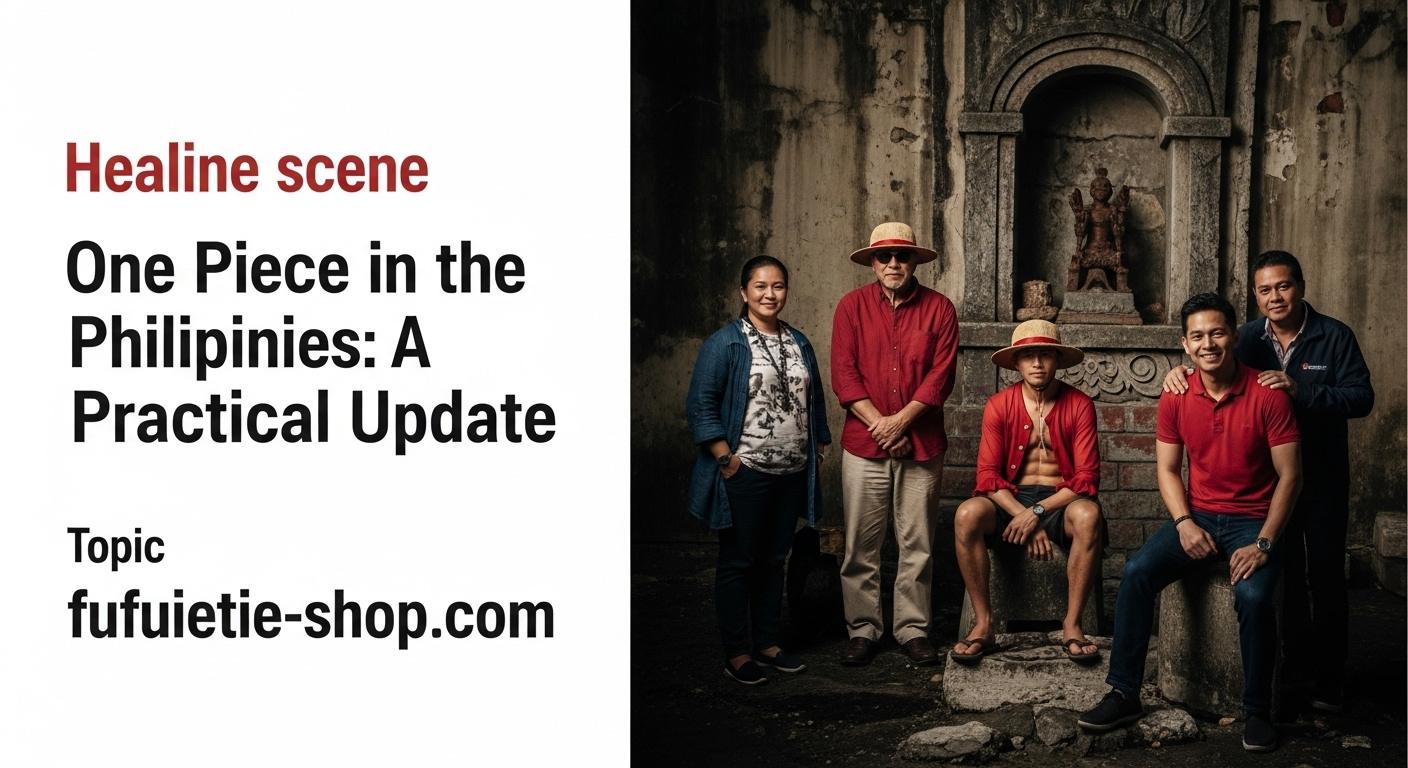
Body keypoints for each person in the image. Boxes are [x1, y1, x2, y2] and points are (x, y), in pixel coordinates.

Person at [1080, 293, 1301, 752]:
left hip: (1252, 521)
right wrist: (1183, 522)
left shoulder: (1267, 394)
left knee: (1256, 597)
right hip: (1198, 515)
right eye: (1197, 335)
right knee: (1138, 573)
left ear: (1234, 337)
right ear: (1184, 344)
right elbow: (1166, 469)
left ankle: (1257, 712)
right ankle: (1124, 692)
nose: (1208, 343)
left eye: (1217, 333)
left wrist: (1262, 543)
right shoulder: (1176, 394)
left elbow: (1291, 476)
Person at [1161, 251, 1373, 716]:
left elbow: (1361, 399)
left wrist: (1303, 391)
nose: (1275, 297)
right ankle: (1293, 671)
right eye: (1264, 290)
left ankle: (1329, 680)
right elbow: (1211, 364)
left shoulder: (1333, 336)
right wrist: (1178, 372)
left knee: (1324, 576)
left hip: (1319, 479)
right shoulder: (1248, 337)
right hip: (1266, 485)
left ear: (1300, 286)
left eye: (1283, 286)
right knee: (1287, 576)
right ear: (1255, 296)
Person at [685, 255, 832, 686]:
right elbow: (701, 404)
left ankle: (767, 644)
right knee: (739, 561)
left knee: (774, 560)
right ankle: (737, 652)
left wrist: (818, 443)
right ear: (744, 292)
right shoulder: (726, 343)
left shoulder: (799, 342)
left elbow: (815, 398)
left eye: (779, 286)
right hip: (745, 471)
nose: (771, 294)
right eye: (761, 286)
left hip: (791, 471)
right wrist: (724, 457)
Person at [830, 222, 958, 666]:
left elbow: (941, 377)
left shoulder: (940, 309)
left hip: (921, 444)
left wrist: (901, 423)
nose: (893, 264)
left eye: (901, 256)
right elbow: (844, 377)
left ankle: (911, 629)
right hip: (863, 444)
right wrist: (882, 427)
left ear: (914, 261)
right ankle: (863, 628)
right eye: (884, 257)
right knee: (860, 546)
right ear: (872, 262)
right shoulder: (850, 307)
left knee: (917, 543)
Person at [951, 320, 1104, 665]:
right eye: (1028, 356)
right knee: (967, 514)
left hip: (1060, 502)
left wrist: (1037, 514)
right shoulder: (999, 405)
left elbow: (1086, 478)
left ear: (1057, 360)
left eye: (1045, 354)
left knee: (1089, 514)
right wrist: (1024, 513)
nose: (1037, 363)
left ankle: (1073, 624)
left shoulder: (1079, 404)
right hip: (1010, 499)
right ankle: (984, 624)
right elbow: (988, 476)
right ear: (1016, 363)